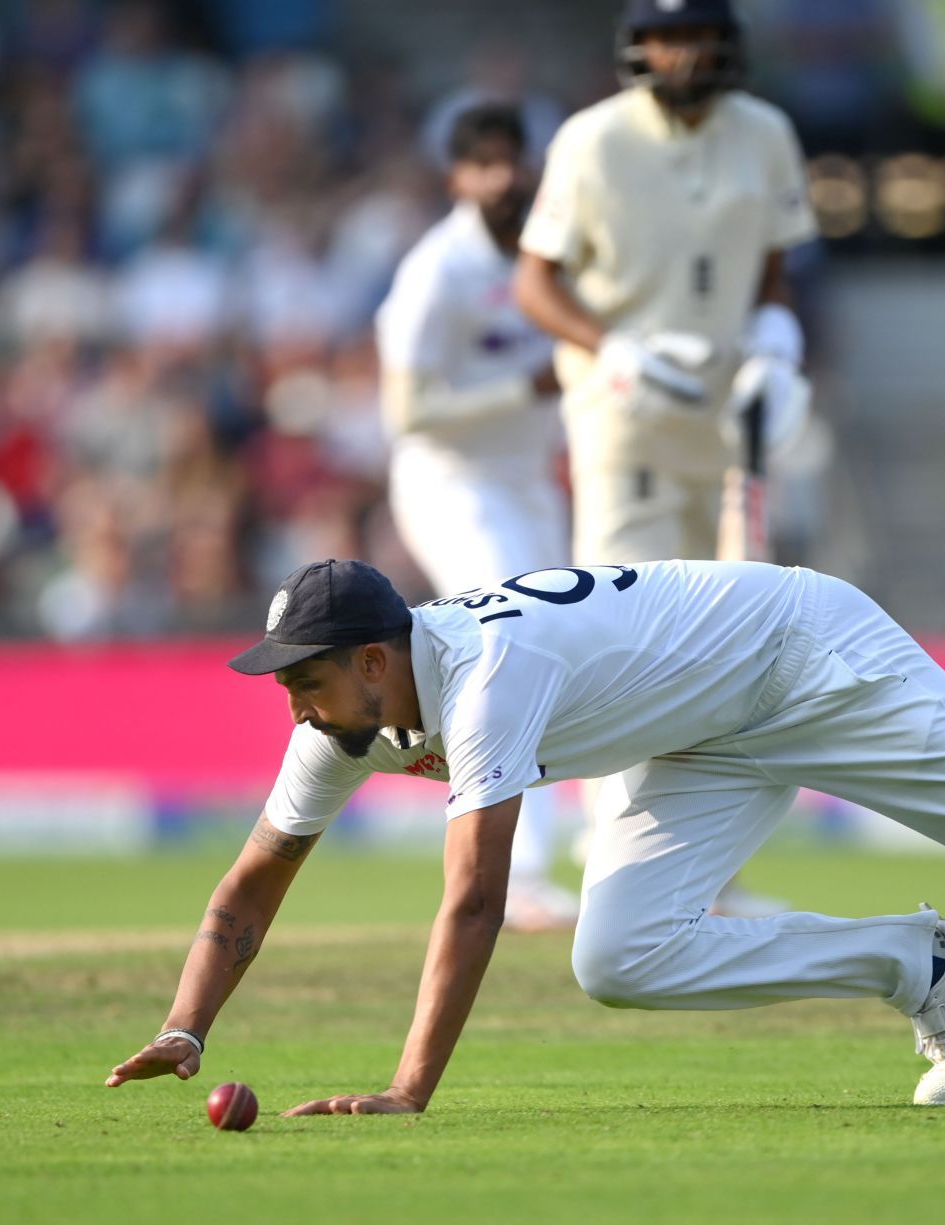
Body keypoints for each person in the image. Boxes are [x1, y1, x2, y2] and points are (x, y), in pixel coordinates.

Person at [105, 557, 945, 1112]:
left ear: (372, 655)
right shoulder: (346, 722)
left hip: (813, 660)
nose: (287, 697)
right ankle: (929, 967)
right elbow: (250, 886)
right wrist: (188, 1025)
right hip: (690, 734)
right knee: (619, 953)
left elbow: (472, 904)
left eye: (303, 671)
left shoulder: (486, 673)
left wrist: (410, 1090)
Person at [513, 0, 815, 566]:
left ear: (727, 43)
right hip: (625, 406)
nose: (681, 54)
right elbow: (534, 284)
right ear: (637, 46)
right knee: (623, 600)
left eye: (698, 36)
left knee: (730, 609)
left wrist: (776, 343)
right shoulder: (591, 140)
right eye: (665, 37)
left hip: (728, 413)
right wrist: (612, 349)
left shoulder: (767, 133)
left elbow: (773, 274)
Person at [375, 103, 577, 931]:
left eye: (513, 160)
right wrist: (526, 389)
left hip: (529, 480)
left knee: (565, 647)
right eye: (484, 164)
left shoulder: (548, 250)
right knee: (506, 645)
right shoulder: (437, 271)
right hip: (450, 483)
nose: (504, 177)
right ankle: (512, 872)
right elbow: (407, 413)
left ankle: (597, 847)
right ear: (457, 177)